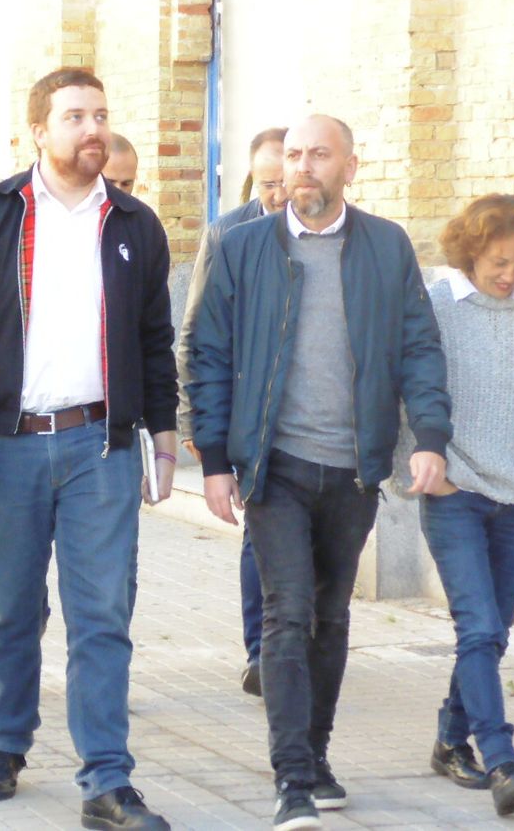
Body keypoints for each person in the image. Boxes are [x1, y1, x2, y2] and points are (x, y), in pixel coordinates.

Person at [0, 68, 178, 831]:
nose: (92, 129)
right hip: (10, 445)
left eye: (101, 114)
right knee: (9, 607)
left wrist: (163, 438)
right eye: (75, 116)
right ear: (39, 130)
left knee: (103, 612)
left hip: (102, 446)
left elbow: (155, 342)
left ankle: (107, 778)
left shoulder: (134, 224)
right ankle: (6, 742)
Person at [185, 114, 451, 831]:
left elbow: (419, 347)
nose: (303, 167)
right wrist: (213, 459)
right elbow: (206, 355)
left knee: (331, 616)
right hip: (277, 465)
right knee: (288, 611)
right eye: (294, 155)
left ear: (350, 168)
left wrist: (429, 437)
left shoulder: (387, 246)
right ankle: (292, 778)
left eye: (318, 156)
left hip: (355, 466)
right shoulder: (242, 248)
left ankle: (318, 754)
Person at [407, 194, 514, 816]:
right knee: (477, 626)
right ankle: (502, 760)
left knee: (493, 632)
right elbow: (412, 387)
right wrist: (434, 469)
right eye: (498, 263)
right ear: (469, 251)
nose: (510, 276)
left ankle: (451, 740)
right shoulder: (437, 306)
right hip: (457, 496)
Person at [176, 125, 286, 696]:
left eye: (284, 182)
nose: (278, 195)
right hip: (251, 416)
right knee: (261, 536)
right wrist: (198, 423)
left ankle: (298, 642)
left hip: (314, 420)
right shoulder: (229, 234)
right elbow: (197, 332)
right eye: (267, 183)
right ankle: (261, 652)